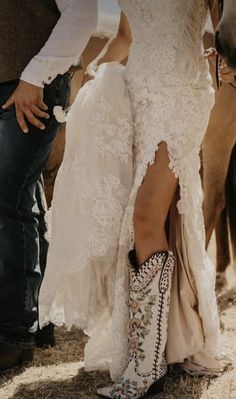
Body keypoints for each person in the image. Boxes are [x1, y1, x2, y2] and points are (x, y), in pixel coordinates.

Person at [39, 1, 233, 398]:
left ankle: (148, 365)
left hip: (181, 92)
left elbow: (223, 24)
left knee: (144, 216)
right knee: (152, 221)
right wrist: (90, 72)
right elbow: (126, 35)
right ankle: (166, 344)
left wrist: (230, 60)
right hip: (137, 93)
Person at [0, 0, 98, 372]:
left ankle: (13, 333)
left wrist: (35, 76)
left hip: (33, 88)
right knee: (26, 192)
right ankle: (39, 318)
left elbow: (84, 11)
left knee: (8, 199)